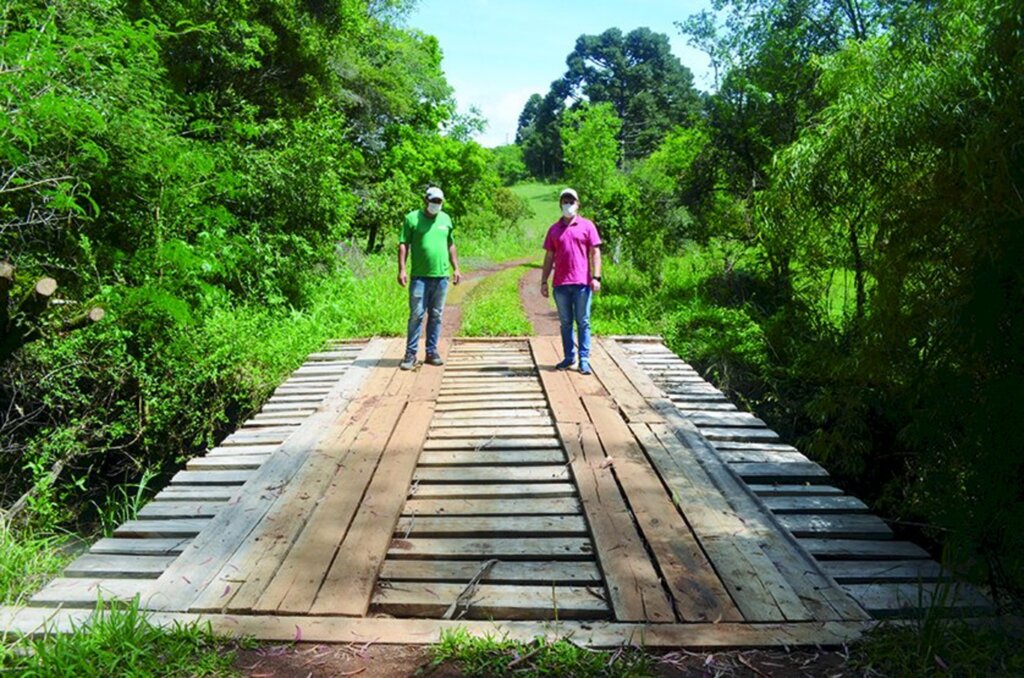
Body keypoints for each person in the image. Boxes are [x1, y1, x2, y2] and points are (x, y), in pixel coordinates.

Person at [398, 186, 461, 371]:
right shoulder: (412, 219)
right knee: (416, 315)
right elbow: (403, 244)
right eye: (433, 201)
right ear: (425, 200)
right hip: (419, 277)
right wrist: (401, 269)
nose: (436, 205)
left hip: (441, 276)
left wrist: (456, 268)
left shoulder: (446, 219)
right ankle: (410, 354)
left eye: (439, 202)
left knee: (436, 315)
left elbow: (450, 244)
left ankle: (431, 352)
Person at [540, 187, 602, 375]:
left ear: (578, 204)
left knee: (583, 321)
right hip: (561, 284)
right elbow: (549, 257)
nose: (568, 205)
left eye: (571, 201)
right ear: (560, 204)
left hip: (582, 283)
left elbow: (595, 252)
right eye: (565, 201)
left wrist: (596, 277)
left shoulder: (587, 226)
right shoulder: (554, 229)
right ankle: (569, 357)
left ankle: (584, 359)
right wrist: (544, 281)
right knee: (566, 322)